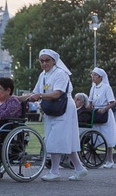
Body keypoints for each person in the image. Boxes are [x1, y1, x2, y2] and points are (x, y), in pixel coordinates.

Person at [26, 49, 87, 182]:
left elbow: (57, 93)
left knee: (55, 139)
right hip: (52, 108)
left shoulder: (61, 74)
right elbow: (35, 92)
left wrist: (40, 96)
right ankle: (79, 169)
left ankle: (54, 171)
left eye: (47, 60)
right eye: (42, 61)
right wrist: (18, 98)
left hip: (63, 107)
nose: (44, 63)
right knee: (64, 139)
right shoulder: (42, 75)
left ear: (54, 61)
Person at [88, 67, 116, 168]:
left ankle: (110, 160)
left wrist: (104, 109)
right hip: (96, 112)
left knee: (107, 136)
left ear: (100, 77)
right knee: (94, 136)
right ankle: (92, 160)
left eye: (95, 75)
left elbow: (112, 102)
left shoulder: (106, 87)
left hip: (105, 113)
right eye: (92, 75)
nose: (93, 77)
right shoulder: (93, 87)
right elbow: (90, 101)